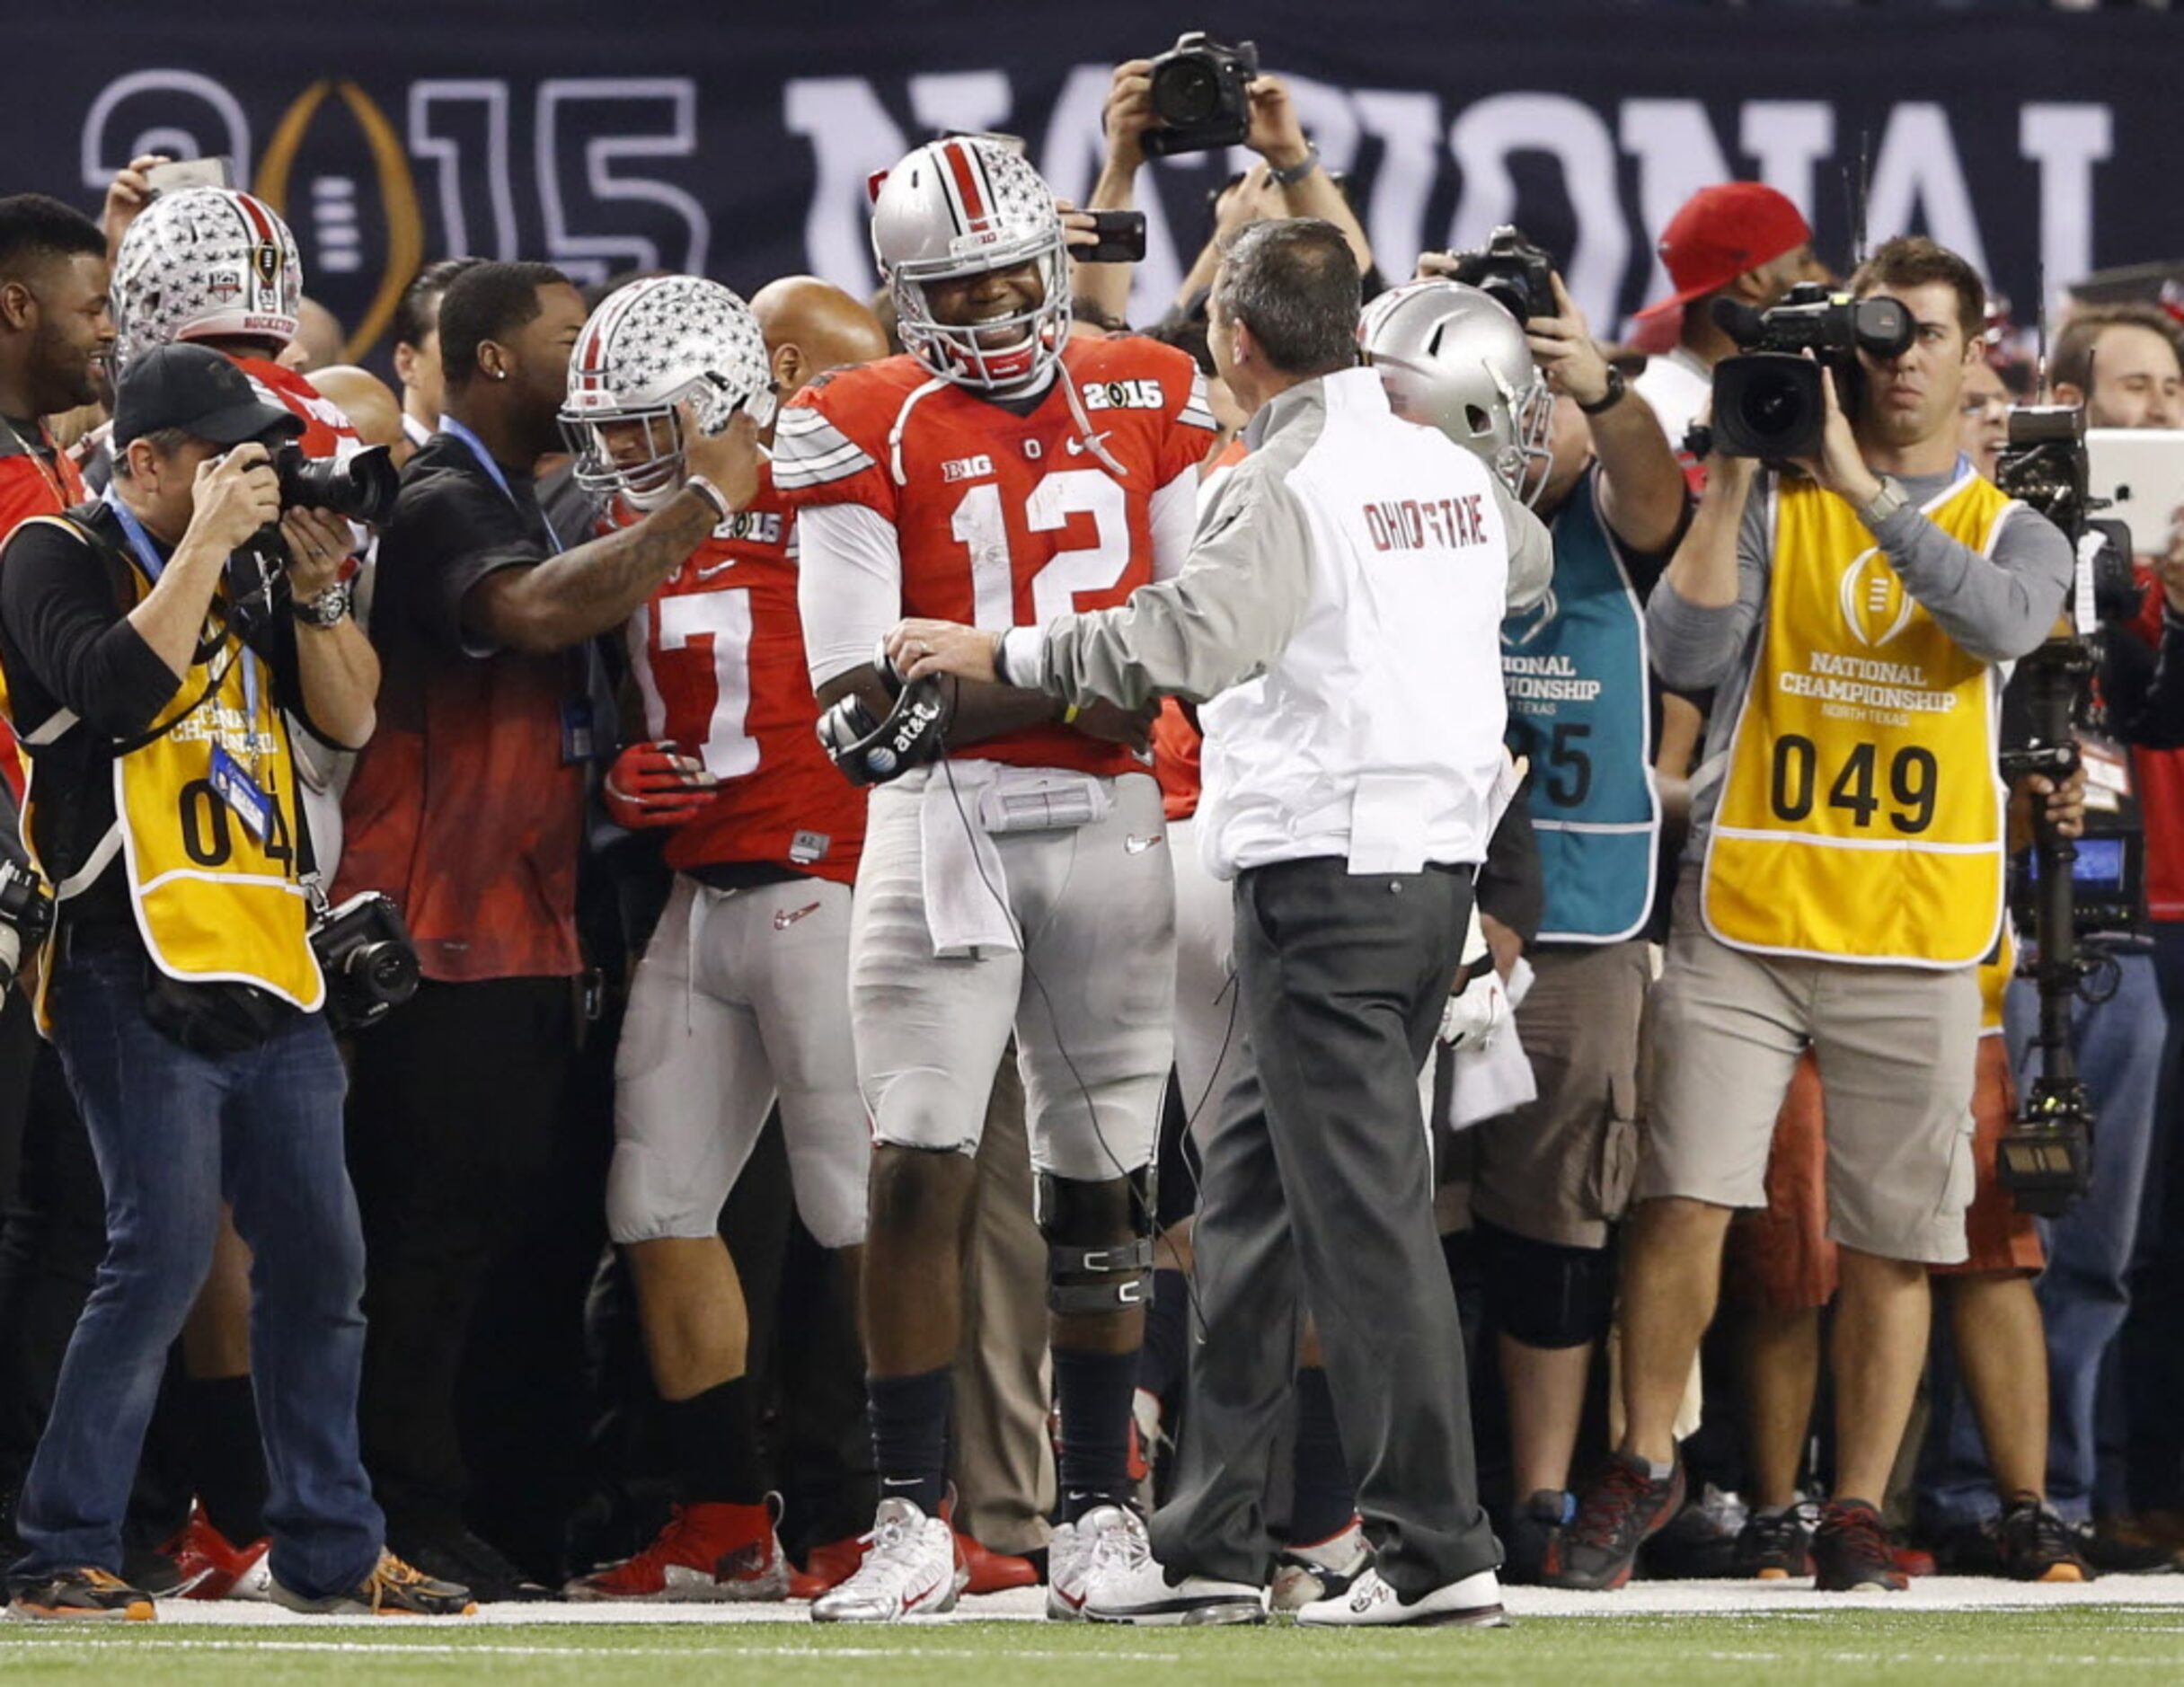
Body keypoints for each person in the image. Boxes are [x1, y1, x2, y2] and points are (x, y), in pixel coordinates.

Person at [890, 215, 1553, 1629]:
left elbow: (1188, 641)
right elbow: (1527, 568)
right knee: (1246, 1207)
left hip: (1330, 875)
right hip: (1413, 869)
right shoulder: (1436, 459)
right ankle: (1208, 1539)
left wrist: (999, 649)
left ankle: (1437, 1550)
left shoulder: (1281, 472)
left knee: (1365, 1223)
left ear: (1233, 342)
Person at [1552, 235, 2073, 1594]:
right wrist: (1732, 473)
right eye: (1879, 342)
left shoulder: (2009, 520)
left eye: (1926, 341)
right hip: (1750, 910)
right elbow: (1680, 654)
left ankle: (1852, 1502)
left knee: (1894, 1233)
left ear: (1974, 360)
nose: (1899, 364)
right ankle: (1641, 1456)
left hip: (1910, 924)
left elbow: (1998, 623)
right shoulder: (1775, 500)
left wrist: (1857, 485)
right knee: (1684, 1196)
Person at [774, 136, 1215, 1623]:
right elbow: (858, 715)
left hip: (1108, 822)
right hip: (940, 829)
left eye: (1016, 271)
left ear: (1053, 255)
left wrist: (979, 675)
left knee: (1102, 1182)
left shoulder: (1149, 386)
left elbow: (1178, 646)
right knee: (916, 1164)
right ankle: (912, 1514)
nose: (996, 303)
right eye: (957, 283)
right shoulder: (858, 419)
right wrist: (1076, 687)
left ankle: (1098, 1511)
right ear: (903, 291)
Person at [0, 343, 469, 1620]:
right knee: (152, 1258)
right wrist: (204, 546)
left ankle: (327, 1546)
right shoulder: (53, 555)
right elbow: (115, 691)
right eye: (222, 457)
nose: (251, 482)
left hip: (268, 954)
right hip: (126, 958)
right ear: (143, 461)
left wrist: (316, 597)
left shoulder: (258, 572)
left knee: (322, 1262)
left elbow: (351, 726)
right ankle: (62, 1544)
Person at [332, 260, 764, 1600]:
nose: (591, 364)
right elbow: (530, 611)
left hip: (522, 936)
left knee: (504, 1258)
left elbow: (542, 699)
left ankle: (471, 1509)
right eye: (567, 340)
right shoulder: (442, 502)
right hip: (442, 944)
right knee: (428, 1249)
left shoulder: (513, 498)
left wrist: (608, 787)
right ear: (494, 363)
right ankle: (396, 1509)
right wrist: (706, 497)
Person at [554, 275, 886, 1602]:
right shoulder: (630, 529)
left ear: (719, 406)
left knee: (849, 1206)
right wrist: (618, 777)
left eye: (642, 426)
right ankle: (722, 1516)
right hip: (702, 889)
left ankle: (877, 1511)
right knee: (652, 1199)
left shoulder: (832, 488)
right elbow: (608, 699)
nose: (614, 457)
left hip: (833, 879)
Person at [1364, 266, 1688, 1581]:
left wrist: (1600, 383)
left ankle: (1544, 1497)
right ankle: (1418, 1483)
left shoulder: (1610, 512)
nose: (1521, 415)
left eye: (1536, 390)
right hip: (1427, 902)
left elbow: (1650, 488)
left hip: (1580, 922)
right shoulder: (1403, 510)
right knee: (1414, 1211)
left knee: (1554, 1216)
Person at [1627, 183, 1830, 461]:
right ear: (1753, 280)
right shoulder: (1665, 418)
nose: (1822, 276)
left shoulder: (1756, 401)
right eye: (1804, 262)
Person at [391, 259, 484, 449]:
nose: (488, 364)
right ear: (407, 364)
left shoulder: (543, 471)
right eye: (463, 345)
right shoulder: (378, 472)